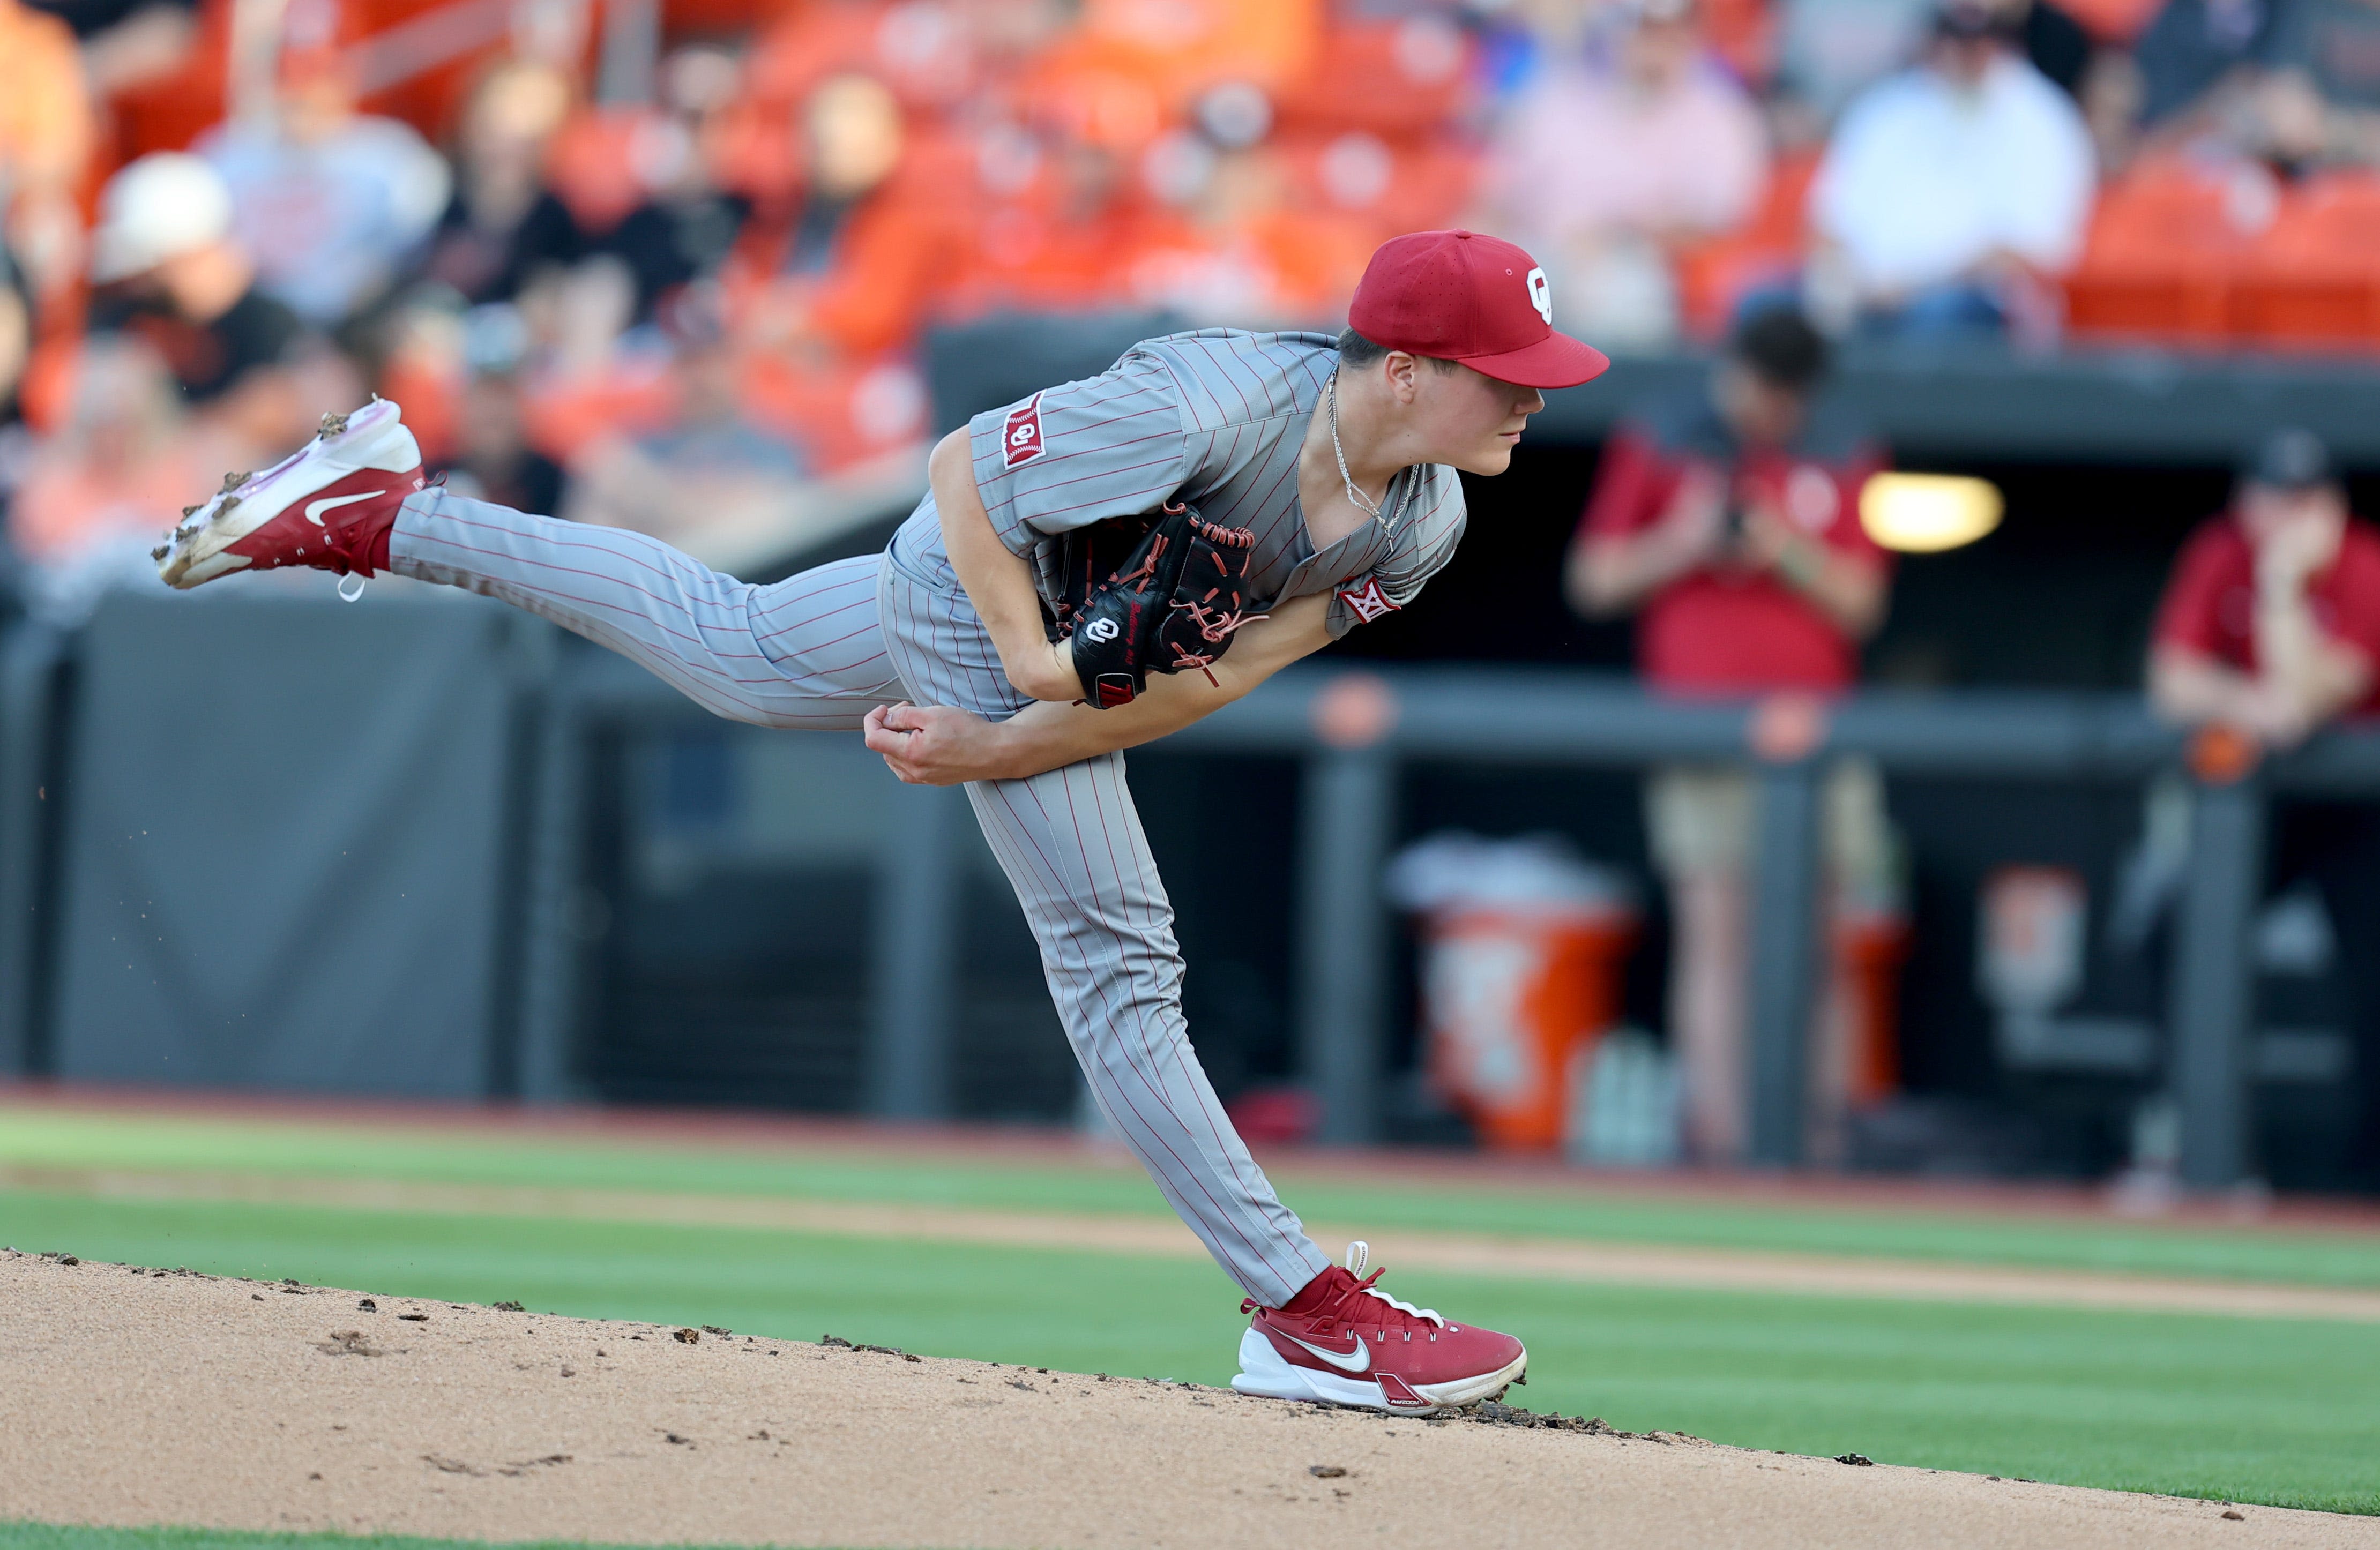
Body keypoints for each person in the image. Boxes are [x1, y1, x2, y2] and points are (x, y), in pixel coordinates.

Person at [150, 229, 1611, 1411]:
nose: (1539, 394)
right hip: (966, 574)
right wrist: (1022, 679)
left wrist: (1008, 735)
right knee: (1120, 960)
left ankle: (379, 512)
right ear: (1408, 368)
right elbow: (963, 476)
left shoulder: (1422, 520)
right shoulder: (1205, 404)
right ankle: (1306, 1313)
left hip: (1046, 650)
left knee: (727, 646)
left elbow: (1213, 678)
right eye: (1510, 372)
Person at [1567, 304, 1893, 1164]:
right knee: (1716, 938)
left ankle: (1821, 1141)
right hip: (1702, 731)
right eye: (1760, 388)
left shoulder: (1839, 445)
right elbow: (1594, 580)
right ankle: (1721, 1143)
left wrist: (1782, 548)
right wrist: (1687, 542)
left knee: (1826, 943)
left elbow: (1864, 602)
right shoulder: (1666, 437)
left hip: (1817, 730)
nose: (1769, 411)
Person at [2148, 427, 2380, 1187]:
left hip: (2359, 810)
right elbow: (2172, 681)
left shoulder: (2362, 565)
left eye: (2301, 500)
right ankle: (2185, 1143)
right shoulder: (2220, 551)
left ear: (2330, 508)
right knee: (2174, 933)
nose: (2281, 515)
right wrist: (2249, 701)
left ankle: (2360, 1184)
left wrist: (2283, 582)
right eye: (2269, 497)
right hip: (2259, 806)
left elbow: (2310, 701)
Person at [1481, 0, 1768, 350]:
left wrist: (1614, 234)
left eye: (1666, 28)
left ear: (1691, 33)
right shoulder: (1558, 95)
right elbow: (1497, 198)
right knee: (1496, 279)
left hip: (1641, 267)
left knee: (1620, 293)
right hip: (1544, 255)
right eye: (1639, 26)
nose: (1652, 42)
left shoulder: (1721, 114)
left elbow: (1717, 223)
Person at [1807, 0, 2094, 338]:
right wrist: (1844, 284)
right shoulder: (1885, 110)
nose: (1964, 50)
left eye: (1980, 37)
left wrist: (1909, 289)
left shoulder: (2044, 119)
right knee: (1766, 304)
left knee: (1939, 318)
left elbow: (2027, 253)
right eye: (1954, 34)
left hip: (1974, 301)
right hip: (1866, 293)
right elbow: (1830, 226)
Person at [197, 45, 450, 329]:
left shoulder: (392, 158)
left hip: (358, 319)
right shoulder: (228, 155)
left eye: (314, 84)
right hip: (252, 321)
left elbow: (413, 255)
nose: (301, 98)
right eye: (289, 85)